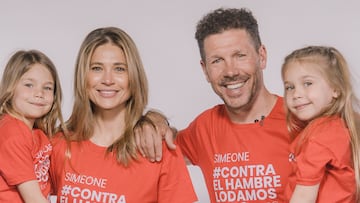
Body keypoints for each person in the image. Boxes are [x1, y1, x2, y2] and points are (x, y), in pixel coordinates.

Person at [136, 8, 292, 202]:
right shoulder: (205, 127)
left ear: (262, 56)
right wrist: (151, 120)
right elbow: (162, 145)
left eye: (240, 55)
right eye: (217, 60)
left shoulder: (301, 122)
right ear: (205, 70)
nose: (230, 71)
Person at [49, 26, 197, 203]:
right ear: (83, 76)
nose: (108, 80)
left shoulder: (159, 149)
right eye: (96, 68)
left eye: (119, 69)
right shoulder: (59, 144)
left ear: (133, 76)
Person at [281, 45, 360, 202]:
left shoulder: (320, 135)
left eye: (308, 83)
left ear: (335, 89)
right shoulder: (336, 126)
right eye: (289, 87)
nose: (296, 94)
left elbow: (304, 196)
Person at [0, 50, 66, 202]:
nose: (39, 93)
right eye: (29, 85)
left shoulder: (38, 134)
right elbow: (34, 199)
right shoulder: (12, 133)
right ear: (11, 87)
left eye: (47, 88)